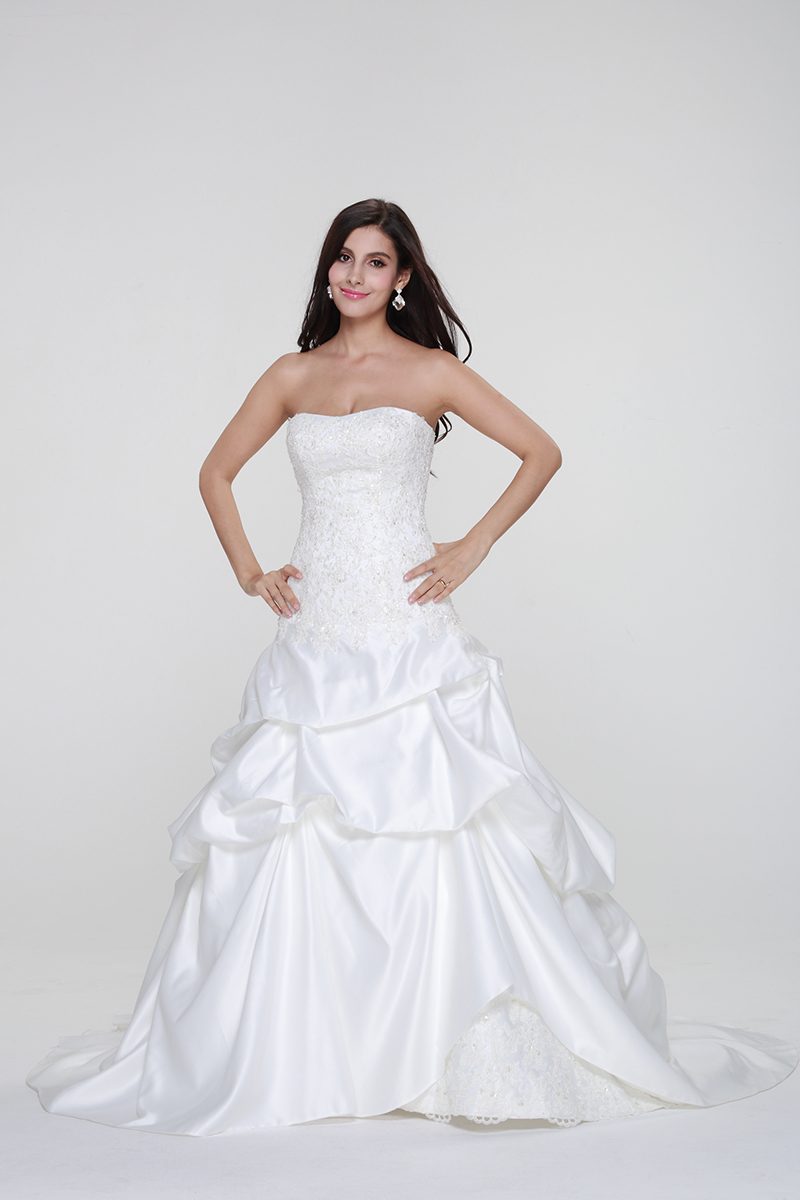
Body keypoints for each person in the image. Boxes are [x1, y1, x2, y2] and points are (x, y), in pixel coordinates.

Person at [28, 199, 796, 1134]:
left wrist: (473, 544)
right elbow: (214, 473)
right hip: (318, 635)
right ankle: (320, 1050)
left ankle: (438, 1041)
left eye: (375, 261)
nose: (354, 275)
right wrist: (250, 571)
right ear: (328, 270)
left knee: (442, 816)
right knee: (297, 823)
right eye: (343, 258)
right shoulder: (291, 375)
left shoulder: (431, 372)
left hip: (408, 630)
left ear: (401, 279)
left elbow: (541, 451)